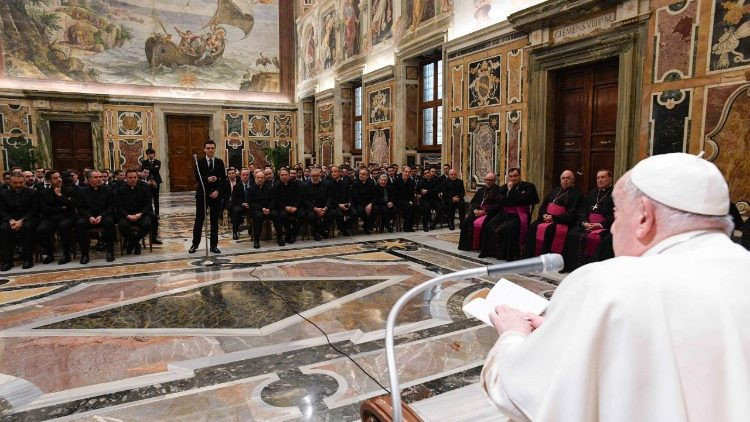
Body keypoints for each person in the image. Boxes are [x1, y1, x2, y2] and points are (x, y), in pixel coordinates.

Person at [481, 152, 750, 421]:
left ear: (644, 216)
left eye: (617, 214)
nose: (612, 228)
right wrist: (574, 329)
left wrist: (513, 334)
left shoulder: (606, 285)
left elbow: (518, 393)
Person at [561, 169, 615, 272]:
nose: (600, 180)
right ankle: (572, 267)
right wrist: (584, 222)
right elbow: (582, 211)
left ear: (610, 179)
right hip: (588, 225)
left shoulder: (616, 194)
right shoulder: (592, 193)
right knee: (572, 235)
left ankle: (595, 271)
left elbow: (615, 215)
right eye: (598, 178)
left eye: (603, 177)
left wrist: (600, 225)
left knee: (604, 240)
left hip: (605, 226)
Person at [525, 170, 582, 257]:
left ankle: (546, 258)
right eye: (563, 178)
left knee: (549, 231)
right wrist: (543, 215)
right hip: (547, 219)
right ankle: (531, 257)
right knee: (533, 226)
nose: (565, 180)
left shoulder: (577, 194)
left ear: (573, 180)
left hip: (561, 222)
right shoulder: (554, 190)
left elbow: (572, 213)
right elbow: (543, 206)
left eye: (568, 178)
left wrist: (554, 218)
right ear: (560, 179)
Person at [489, 168, 540, 261]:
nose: (513, 178)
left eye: (516, 176)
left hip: (520, 215)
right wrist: (511, 198)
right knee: (490, 224)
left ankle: (509, 254)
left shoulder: (528, 186)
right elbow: (498, 199)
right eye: (511, 176)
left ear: (520, 176)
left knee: (509, 228)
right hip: (505, 213)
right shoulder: (504, 187)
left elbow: (522, 199)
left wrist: (511, 190)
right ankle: (495, 253)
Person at [190, 140, 226, 254]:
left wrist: (218, 191)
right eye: (208, 148)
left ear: (215, 149)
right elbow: (197, 177)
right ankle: (195, 244)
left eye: (212, 148)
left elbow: (223, 179)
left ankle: (213, 245)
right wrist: (207, 179)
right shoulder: (199, 162)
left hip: (216, 195)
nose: (210, 150)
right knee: (199, 220)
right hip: (202, 195)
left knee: (214, 220)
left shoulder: (220, 162)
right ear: (204, 149)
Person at [36, 170, 76, 265]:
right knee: (41, 229)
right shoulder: (44, 193)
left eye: (59, 177)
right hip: (51, 218)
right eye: (55, 178)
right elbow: (45, 209)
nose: (59, 179)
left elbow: (72, 205)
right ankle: (50, 254)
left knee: (63, 226)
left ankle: (66, 254)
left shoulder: (70, 190)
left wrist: (60, 195)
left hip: (67, 217)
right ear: (49, 181)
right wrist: (62, 208)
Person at [0, 172, 39, 270]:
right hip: (11, 220)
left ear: (24, 182)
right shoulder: (4, 194)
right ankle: (7, 262)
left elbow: (34, 210)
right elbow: (2, 210)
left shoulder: (32, 192)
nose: (18, 185)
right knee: (4, 228)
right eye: (15, 183)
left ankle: (28, 260)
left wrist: (22, 220)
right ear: (10, 182)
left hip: (28, 218)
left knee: (27, 228)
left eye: (21, 182)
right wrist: (10, 219)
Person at [76, 170, 116, 264]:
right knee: (80, 224)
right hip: (88, 217)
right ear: (89, 179)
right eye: (96, 177)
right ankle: (84, 254)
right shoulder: (82, 191)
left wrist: (102, 216)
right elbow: (80, 207)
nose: (99, 179)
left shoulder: (108, 190)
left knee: (110, 222)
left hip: (103, 216)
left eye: (100, 177)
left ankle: (110, 252)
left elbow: (111, 206)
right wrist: (89, 217)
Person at [458, 173, 505, 251]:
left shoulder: (499, 191)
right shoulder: (481, 190)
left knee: (485, 224)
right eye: (487, 180)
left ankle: (481, 247)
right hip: (478, 212)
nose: (488, 182)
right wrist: (474, 210)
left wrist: (485, 211)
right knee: (466, 221)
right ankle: (467, 246)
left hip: (491, 213)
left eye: (490, 180)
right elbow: (473, 203)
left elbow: (498, 206)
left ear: (494, 181)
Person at [116, 170, 153, 255]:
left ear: (137, 178)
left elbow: (148, 204)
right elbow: (119, 206)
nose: (133, 179)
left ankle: (132, 243)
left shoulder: (144, 189)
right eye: (130, 178)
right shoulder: (120, 190)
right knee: (122, 225)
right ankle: (136, 244)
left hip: (141, 214)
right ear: (126, 178)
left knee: (147, 224)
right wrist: (127, 215)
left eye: (134, 177)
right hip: (126, 215)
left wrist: (141, 214)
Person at [248, 170, 283, 249]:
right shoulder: (251, 189)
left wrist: (269, 208)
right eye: (258, 178)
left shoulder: (269, 188)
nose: (260, 179)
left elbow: (272, 200)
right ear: (255, 178)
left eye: (262, 178)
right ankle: (256, 240)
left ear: (264, 179)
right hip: (256, 210)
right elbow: (251, 203)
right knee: (258, 216)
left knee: (276, 214)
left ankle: (280, 238)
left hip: (268, 209)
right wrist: (262, 208)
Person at [274, 168, 304, 244]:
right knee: (283, 216)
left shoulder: (296, 184)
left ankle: (293, 233)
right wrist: (285, 207)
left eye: (286, 175)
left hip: (295, 207)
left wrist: (295, 207)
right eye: (282, 175)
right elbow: (277, 200)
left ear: (289, 175)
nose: (284, 177)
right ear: (279, 176)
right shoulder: (276, 186)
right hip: (283, 207)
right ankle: (289, 233)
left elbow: (299, 197)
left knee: (302, 215)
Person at [327, 166, 354, 236]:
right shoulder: (328, 184)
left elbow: (349, 195)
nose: (333, 173)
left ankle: (348, 228)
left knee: (354, 213)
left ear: (339, 173)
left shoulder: (345, 183)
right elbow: (330, 198)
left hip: (346, 204)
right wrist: (339, 205)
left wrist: (349, 203)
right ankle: (343, 230)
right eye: (332, 172)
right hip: (335, 205)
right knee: (340, 214)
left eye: (335, 171)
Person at [352, 168, 379, 234]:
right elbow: (356, 197)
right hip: (359, 203)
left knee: (376, 209)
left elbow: (375, 196)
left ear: (367, 176)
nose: (361, 175)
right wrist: (365, 206)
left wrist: (370, 204)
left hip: (369, 203)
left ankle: (368, 225)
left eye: (363, 174)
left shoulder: (371, 183)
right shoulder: (355, 183)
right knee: (361, 211)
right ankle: (366, 226)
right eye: (360, 173)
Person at [395, 166, 418, 232]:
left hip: (408, 200)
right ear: (402, 172)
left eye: (409, 172)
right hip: (398, 201)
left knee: (416, 206)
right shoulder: (397, 181)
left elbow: (411, 194)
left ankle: (410, 225)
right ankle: (406, 227)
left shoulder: (411, 181)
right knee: (409, 207)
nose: (407, 174)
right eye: (406, 172)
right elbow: (397, 195)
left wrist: (411, 201)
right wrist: (408, 202)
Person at [230, 169, 251, 240]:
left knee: (257, 211)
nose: (245, 176)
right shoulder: (236, 186)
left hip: (252, 205)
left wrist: (250, 203)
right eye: (243, 175)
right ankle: (235, 232)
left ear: (249, 176)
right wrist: (242, 203)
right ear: (240, 176)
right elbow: (233, 199)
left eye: (247, 175)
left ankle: (251, 229)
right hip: (241, 206)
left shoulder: (253, 185)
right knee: (236, 211)